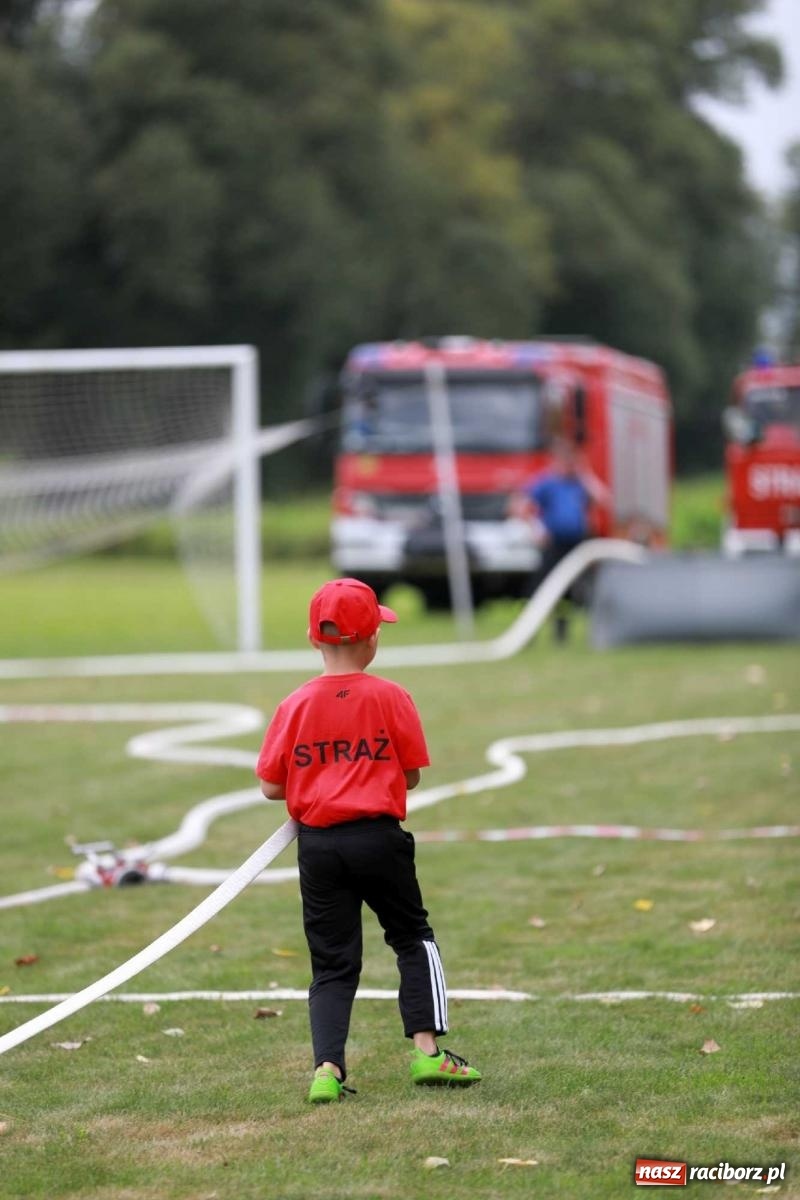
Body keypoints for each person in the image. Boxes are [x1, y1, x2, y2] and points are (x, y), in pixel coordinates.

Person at [255, 577, 481, 1104]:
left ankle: (326, 1069)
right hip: (379, 839)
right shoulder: (391, 697)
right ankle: (428, 1052)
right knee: (411, 936)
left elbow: (270, 785)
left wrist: (320, 774)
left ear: (315, 639)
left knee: (332, 962)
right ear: (373, 639)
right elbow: (412, 775)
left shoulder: (295, 705)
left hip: (318, 848)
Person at [511, 438, 609, 638]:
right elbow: (519, 506)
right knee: (541, 585)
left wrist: (585, 474)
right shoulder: (547, 483)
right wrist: (536, 529)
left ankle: (561, 632)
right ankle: (527, 629)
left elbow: (603, 498)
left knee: (571, 590)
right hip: (554, 543)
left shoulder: (579, 483)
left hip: (577, 543)